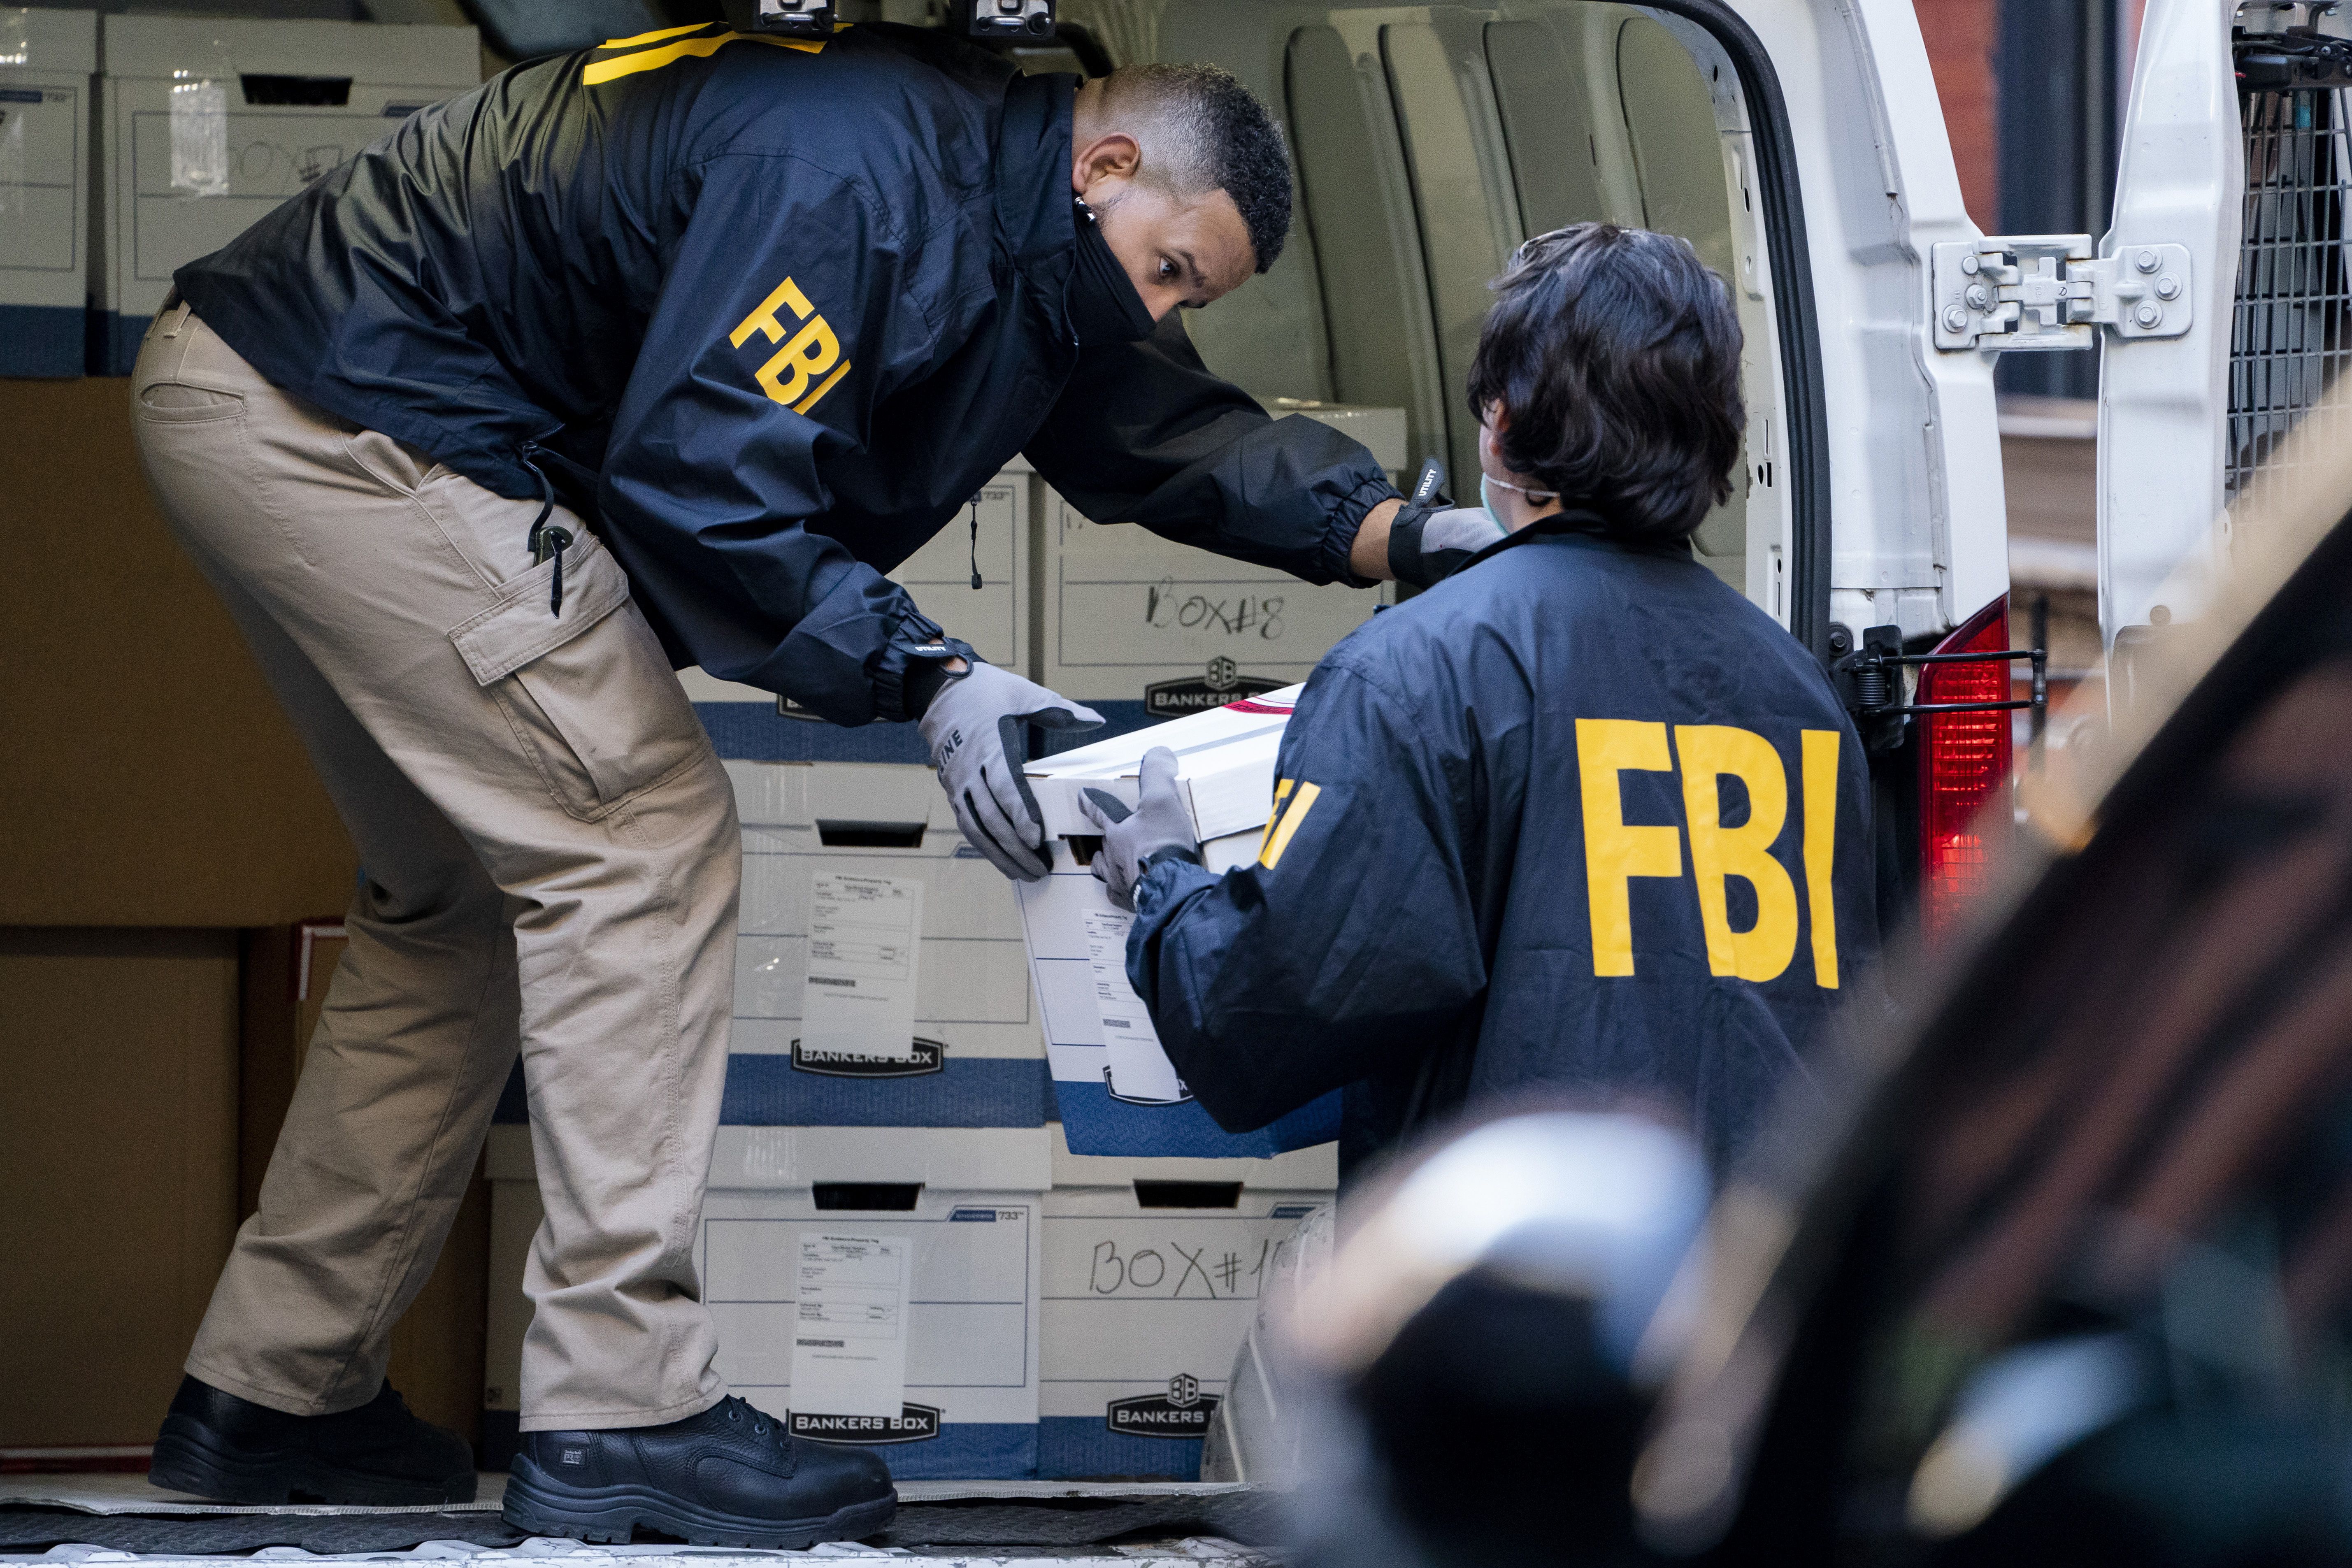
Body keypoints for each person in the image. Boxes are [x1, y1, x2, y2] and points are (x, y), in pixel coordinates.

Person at [130, 20, 1435, 1547]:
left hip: (271, 391)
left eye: (1185, 296)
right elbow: (706, 486)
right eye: (1168, 272)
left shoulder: (1005, 214)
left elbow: (1151, 424)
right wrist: (932, 677)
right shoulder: (857, 169)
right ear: (1109, 163)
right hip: (349, 420)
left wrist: (1397, 538)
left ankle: (275, 1391)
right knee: (643, 838)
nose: (1159, 307)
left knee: (460, 901)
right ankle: (623, 1403)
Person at [1082, 223, 1880, 1178]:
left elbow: (1270, 1013)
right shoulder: (1794, 688)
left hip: (1521, 1281)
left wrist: (1164, 885)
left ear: (1500, 424)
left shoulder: (1411, 671)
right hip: (1753, 1277)